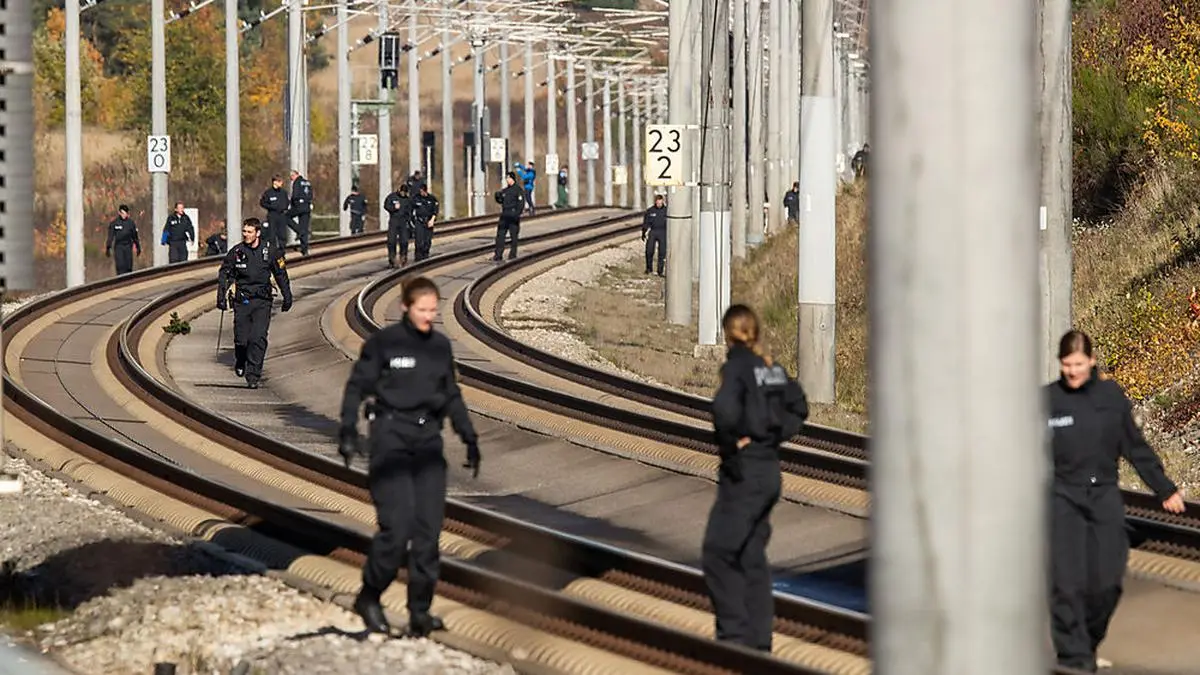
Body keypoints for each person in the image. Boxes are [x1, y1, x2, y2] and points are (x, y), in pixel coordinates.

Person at [336, 275, 482, 637]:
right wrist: (347, 430)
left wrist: (469, 436)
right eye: (422, 310)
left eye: (433, 311)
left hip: (428, 441)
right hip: (390, 438)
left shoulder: (439, 347)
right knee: (397, 529)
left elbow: (451, 394)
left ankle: (420, 611)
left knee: (429, 533)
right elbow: (357, 386)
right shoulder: (384, 344)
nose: (428, 317)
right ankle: (369, 595)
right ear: (405, 307)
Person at [1045, 329, 1185, 672]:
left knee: (1106, 581)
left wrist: (1164, 488)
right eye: (1066, 365)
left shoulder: (1111, 397)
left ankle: (1087, 643)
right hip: (1063, 496)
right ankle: (1073, 658)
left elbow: (1135, 447)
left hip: (1104, 495)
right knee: (1066, 581)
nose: (1072, 372)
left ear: (1091, 362)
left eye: (1078, 364)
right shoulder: (1046, 401)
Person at [704, 304, 808, 653]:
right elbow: (800, 405)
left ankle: (733, 638)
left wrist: (733, 445)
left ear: (728, 334)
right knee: (750, 555)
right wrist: (775, 434)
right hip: (769, 471)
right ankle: (759, 642)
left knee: (718, 552)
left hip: (745, 473)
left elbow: (723, 410)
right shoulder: (770, 368)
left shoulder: (737, 367)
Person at [216, 218, 293, 389]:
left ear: (257, 233)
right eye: (244, 231)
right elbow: (225, 274)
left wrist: (287, 296)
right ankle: (240, 360)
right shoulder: (236, 252)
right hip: (242, 301)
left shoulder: (270, 251)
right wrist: (220, 297)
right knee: (241, 340)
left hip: (262, 301)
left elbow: (281, 274)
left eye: (249, 232)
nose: (246, 235)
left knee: (257, 338)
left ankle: (253, 375)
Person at [493, 172, 524, 262]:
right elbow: (501, 200)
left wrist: (517, 213)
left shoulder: (518, 190)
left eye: (509, 178)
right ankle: (498, 254)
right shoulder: (505, 191)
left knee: (514, 236)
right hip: (505, 215)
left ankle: (512, 254)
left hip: (513, 216)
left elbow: (521, 204)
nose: (507, 180)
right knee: (500, 236)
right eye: (506, 178)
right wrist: (497, 197)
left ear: (512, 179)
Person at [105, 204, 141, 275]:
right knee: (120, 265)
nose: (124, 215)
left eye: (125, 213)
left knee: (128, 266)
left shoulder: (131, 223)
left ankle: (129, 281)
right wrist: (108, 247)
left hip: (128, 246)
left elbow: (135, 236)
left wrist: (138, 247)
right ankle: (120, 280)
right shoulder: (114, 223)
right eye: (122, 213)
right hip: (119, 246)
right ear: (119, 213)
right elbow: (110, 236)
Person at [384, 183, 414, 268]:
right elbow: (386, 206)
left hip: (403, 221)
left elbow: (410, 211)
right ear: (399, 190)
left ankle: (403, 258)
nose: (403, 194)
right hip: (394, 220)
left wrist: (410, 222)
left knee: (404, 241)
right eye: (402, 192)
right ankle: (392, 259)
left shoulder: (407, 199)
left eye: (405, 192)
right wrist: (394, 208)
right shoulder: (392, 197)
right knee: (391, 241)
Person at [287, 169, 313, 256]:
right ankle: (304, 250)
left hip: (299, 206)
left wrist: (292, 204)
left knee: (286, 217)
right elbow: (311, 195)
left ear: (294, 175)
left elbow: (295, 195)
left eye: (291, 177)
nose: (291, 179)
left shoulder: (297, 182)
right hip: (307, 206)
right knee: (304, 227)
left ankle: (299, 231)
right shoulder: (307, 182)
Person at [259, 175, 290, 249]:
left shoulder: (283, 192)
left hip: (281, 215)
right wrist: (271, 207)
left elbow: (287, 202)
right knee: (272, 234)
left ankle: (282, 251)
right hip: (272, 215)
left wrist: (284, 207)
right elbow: (263, 203)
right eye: (279, 181)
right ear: (274, 182)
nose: (281, 183)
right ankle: (273, 251)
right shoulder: (268, 193)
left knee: (282, 234)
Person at [411, 185, 440, 262]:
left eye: (422, 191)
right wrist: (412, 220)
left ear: (425, 191)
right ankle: (418, 257)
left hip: (429, 221)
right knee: (419, 241)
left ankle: (425, 255)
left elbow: (435, 210)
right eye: (420, 191)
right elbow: (410, 209)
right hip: (419, 221)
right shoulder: (416, 198)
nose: (421, 193)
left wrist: (432, 220)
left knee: (427, 240)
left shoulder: (432, 199)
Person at [641, 194, 667, 277]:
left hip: (663, 231)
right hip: (653, 231)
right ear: (655, 202)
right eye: (657, 203)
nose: (659, 204)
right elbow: (646, 222)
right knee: (649, 250)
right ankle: (649, 268)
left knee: (662, 252)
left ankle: (660, 270)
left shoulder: (667, 211)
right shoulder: (650, 211)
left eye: (660, 203)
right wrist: (644, 232)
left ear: (663, 201)